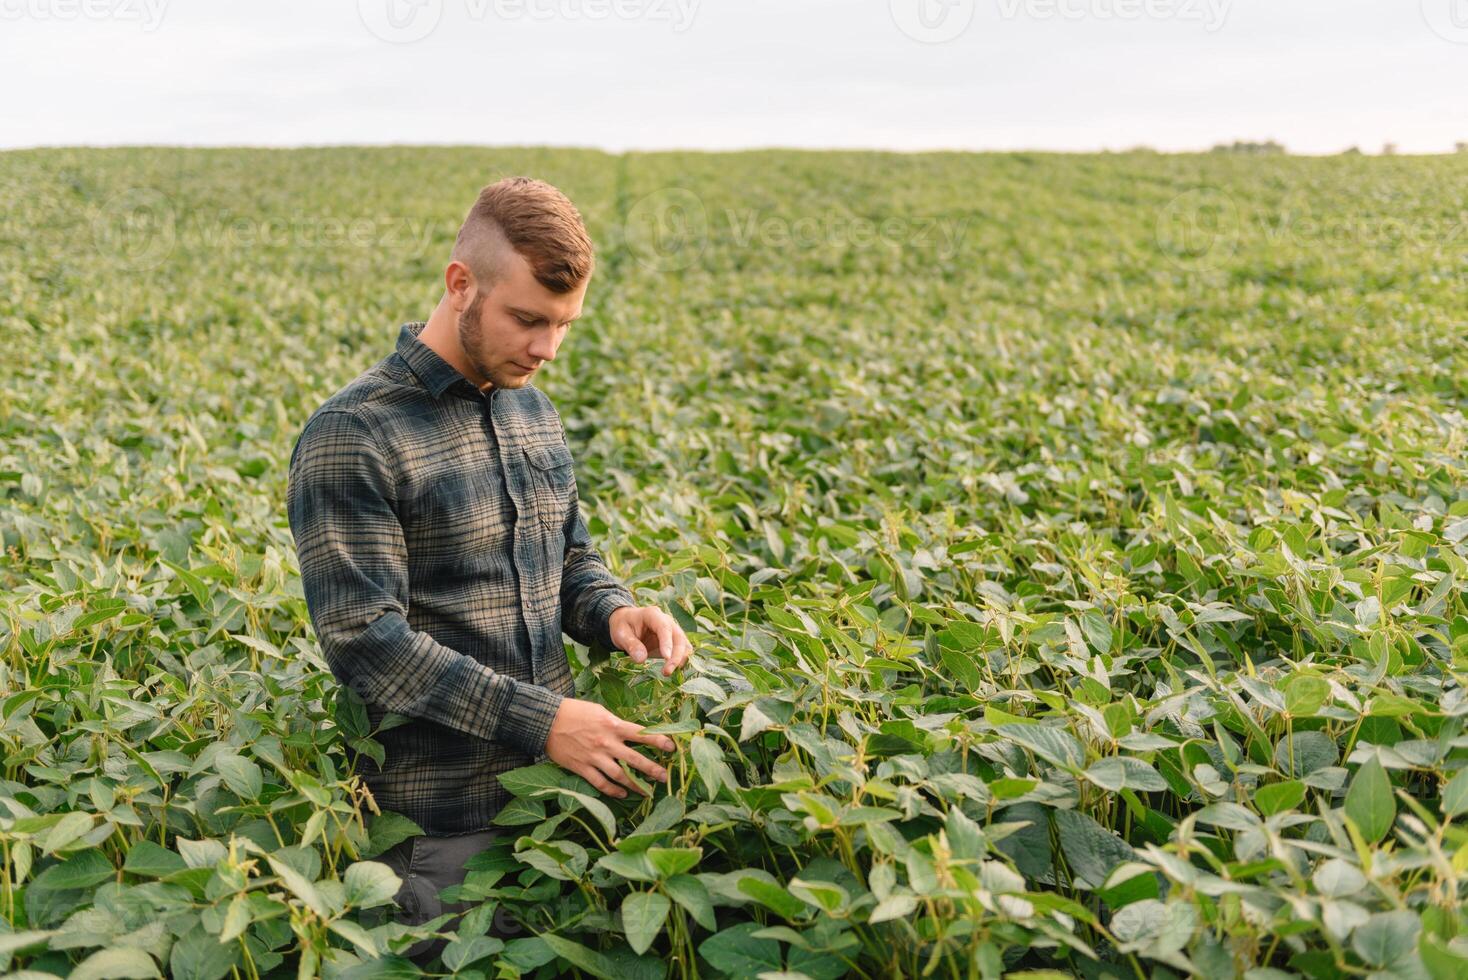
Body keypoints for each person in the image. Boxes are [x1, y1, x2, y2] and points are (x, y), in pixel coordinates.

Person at [285, 175, 692, 964]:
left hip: (554, 809)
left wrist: (611, 612)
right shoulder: (354, 433)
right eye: (528, 320)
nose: (546, 348)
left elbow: (568, 557)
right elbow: (366, 642)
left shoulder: (530, 409)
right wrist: (541, 720)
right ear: (460, 284)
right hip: (440, 833)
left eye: (564, 325)